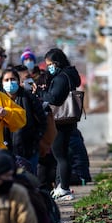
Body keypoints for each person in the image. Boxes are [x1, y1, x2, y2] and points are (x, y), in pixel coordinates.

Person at [35, 48, 81, 202]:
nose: (48, 68)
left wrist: (40, 93)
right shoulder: (69, 74)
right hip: (67, 121)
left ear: (56, 63)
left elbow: (54, 98)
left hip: (60, 121)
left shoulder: (61, 77)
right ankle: (61, 186)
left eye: (49, 64)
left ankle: (64, 187)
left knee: (59, 154)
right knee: (61, 153)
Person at [1, 67, 47, 172]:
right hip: (6, 150)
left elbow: (42, 120)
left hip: (29, 149)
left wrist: (36, 138)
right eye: (6, 80)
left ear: (18, 81)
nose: (10, 82)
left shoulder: (29, 97)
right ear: (2, 82)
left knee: (30, 179)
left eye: (13, 79)